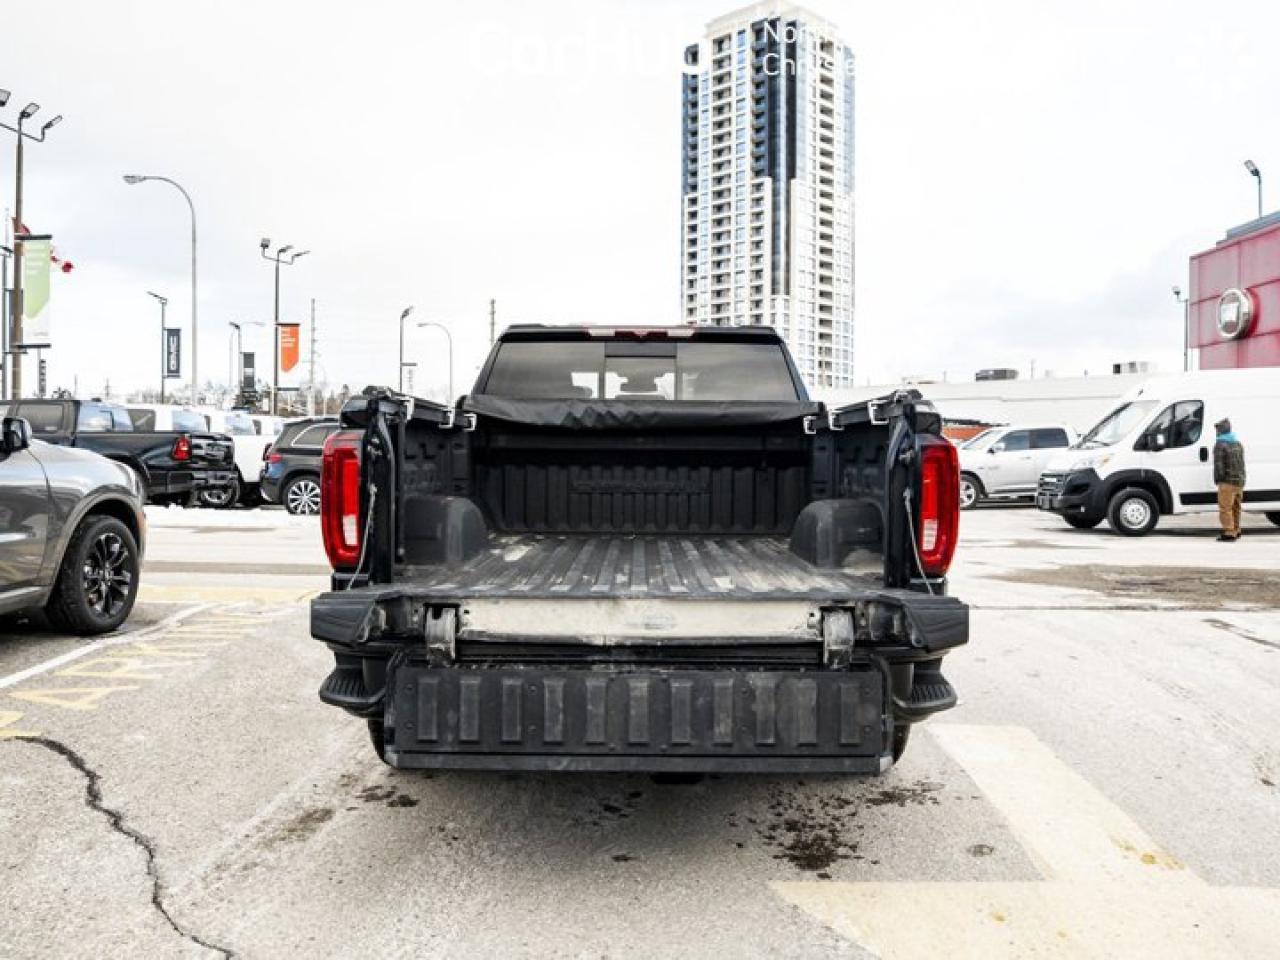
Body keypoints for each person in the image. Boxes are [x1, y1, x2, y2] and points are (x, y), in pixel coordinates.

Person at [1213, 418, 1246, 541]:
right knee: (1236, 507)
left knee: (1225, 508)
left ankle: (1229, 532)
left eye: (1217, 429)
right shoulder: (1238, 444)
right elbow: (1242, 464)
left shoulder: (1220, 444)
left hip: (1227, 482)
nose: (1216, 432)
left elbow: (1219, 465)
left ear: (1221, 430)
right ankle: (1236, 530)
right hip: (1239, 481)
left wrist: (1219, 480)